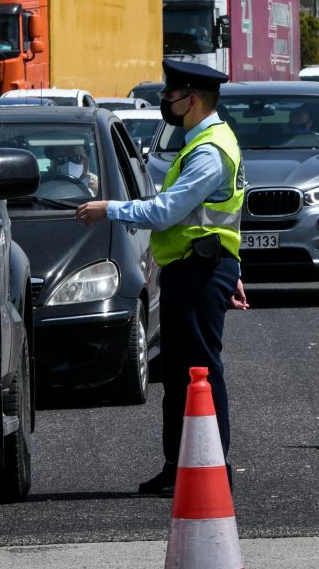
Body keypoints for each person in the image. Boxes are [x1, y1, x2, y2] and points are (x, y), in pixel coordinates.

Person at [75, 59, 249, 495]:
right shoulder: (207, 140)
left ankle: (213, 468)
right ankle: (178, 465)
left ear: (191, 100)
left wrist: (109, 209)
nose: (165, 102)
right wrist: (234, 266)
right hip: (196, 267)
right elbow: (222, 216)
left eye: (171, 95)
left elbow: (167, 210)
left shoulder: (209, 151)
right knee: (177, 373)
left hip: (200, 270)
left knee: (201, 371)